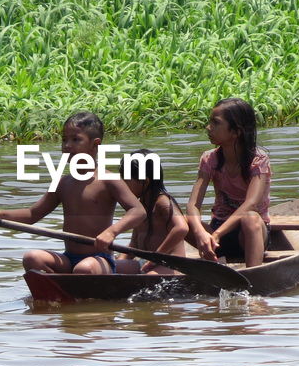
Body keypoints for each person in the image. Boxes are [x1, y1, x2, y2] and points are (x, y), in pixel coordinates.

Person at [0, 111, 145, 275]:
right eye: (64, 140)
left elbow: (138, 211)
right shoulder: (62, 183)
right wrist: (0, 214)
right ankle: (61, 291)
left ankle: (81, 289)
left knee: (85, 268)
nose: (67, 145)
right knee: (32, 258)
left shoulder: (109, 180)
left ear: (95, 145)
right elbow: (32, 214)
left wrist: (111, 232)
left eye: (75, 140)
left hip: (99, 260)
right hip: (69, 258)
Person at [186, 97, 272, 268]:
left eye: (216, 123)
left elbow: (251, 204)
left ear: (236, 132)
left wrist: (217, 234)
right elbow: (193, 205)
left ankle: (253, 276)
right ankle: (216, 266)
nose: (208, 128)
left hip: (248, 233)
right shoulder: (209, 159)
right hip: (218, 232)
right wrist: (200, 233)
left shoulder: (258, 160)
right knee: (181, 221)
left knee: (250, 218)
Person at [115, 149, 190, 275]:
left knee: (149, 279)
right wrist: (119, 263)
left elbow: (181, 228)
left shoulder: (162, 202)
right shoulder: (138, 207)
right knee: (112, 268)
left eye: (126, 180)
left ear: (145, 181)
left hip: (172, 263)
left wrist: (156, 258)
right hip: (148, 261)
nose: (123, 185)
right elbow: (134, 243)